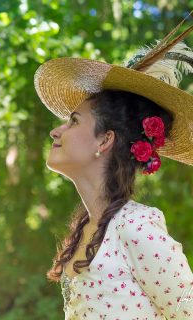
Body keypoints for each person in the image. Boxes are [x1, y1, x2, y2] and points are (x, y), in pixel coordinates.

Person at [33, 12, 193, 320]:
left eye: (73, 122)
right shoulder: (87, 230)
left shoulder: (136, 226)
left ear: (104, 141)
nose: (56, 131)